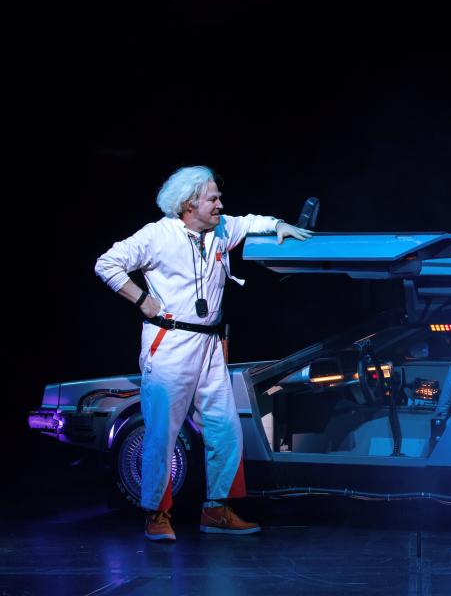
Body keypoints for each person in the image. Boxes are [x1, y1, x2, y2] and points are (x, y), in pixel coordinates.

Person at [95, 165, 313, 541]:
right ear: (188, 204)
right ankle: (156, 514)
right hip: (171, 344)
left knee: (225, 429)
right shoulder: (157, 236)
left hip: (211, 345)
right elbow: (106, 263)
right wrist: (143, 300)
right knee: (162, 432)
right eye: (212, 198)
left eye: (218, 198)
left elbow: (250, 222)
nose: (220, 204)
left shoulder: (221, 229)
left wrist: (277, 224)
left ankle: (217, 509)